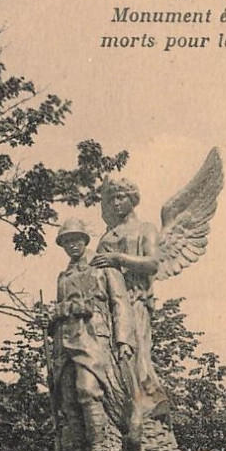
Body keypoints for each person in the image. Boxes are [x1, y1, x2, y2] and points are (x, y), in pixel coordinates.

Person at [50, 218, 135, 451]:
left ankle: (101, 448)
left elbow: (121, 304)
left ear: (85, 240)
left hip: (94, 338)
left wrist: (123, 341)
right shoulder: (63, 277)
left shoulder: (104, 267)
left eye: (75, 239)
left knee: (88, 389)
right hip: (64, 342)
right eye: (66, 241)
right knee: (67, 398)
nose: (71, 245)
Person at [91, 177, 169, 429]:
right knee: (110, 359)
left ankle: (150, 408)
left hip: (135, 299)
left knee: (136, 357)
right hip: (108, 306)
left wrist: (118, 258)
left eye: (121, 197)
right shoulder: (106, 237)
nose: (115, 203)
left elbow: (153, 263)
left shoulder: (145, 229)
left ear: (132, 199)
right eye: (111, 198)